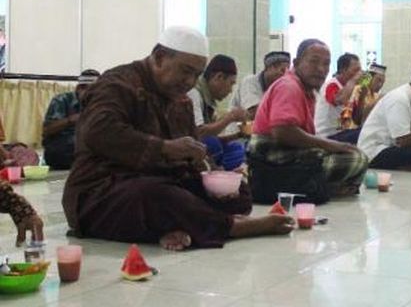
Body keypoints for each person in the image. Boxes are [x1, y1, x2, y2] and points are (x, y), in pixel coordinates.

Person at [62, 27, 294, 251]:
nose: (190, 81)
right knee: (155, 195)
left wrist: (210, 175)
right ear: (160, 57)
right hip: (103, 192)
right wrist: (164, 148)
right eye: (185, 71)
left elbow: (191, 155)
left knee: (239, 194)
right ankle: (233, 227)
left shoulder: (181, 100)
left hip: (165, 183)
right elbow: (98, 132)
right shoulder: (116, 84)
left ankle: (174, 226)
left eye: (196, 75)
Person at [248, 39, 368, 202]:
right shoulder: (290, 86)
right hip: (272, 157)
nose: (321, 69)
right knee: (357, 159)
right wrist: (329, 145)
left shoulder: (305, 89)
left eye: (326, 64)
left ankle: (321, 185)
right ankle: (319, 186)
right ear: (297, 63)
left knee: (352, 154)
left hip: (290, 152)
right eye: (313, 62)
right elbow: (282, 131)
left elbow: (357, 116)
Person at [41, 69, 100, 170]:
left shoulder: (101, 103)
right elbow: (46, 130)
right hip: (62, 150)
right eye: (86, 89)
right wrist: (71, 120)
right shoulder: (62, 100)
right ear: (78, 88)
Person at [187, 54, 247, 139]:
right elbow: (200, 133)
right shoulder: (194, 93)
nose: (230, 91)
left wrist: (238, 135)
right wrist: (230, 117)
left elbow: (213, 137)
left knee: (235, 147)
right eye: (231, 83)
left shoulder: (209, 99)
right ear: (219, 77)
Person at [314, 53, 363, 144]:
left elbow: (357, 119)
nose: (360, 74)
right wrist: (354, 80)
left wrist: (363, 94)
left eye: (360, 70)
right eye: (356, 70)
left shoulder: (353, 88)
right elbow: (340, 100)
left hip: (343, 132)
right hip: (327, 136)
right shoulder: (331, 85)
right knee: (364, 133)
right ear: (343, 70)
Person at [232, 51, 291, 121]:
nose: (285, 75)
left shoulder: (280, 86)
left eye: (288, 71)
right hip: (238, 130)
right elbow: (254, 112)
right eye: (282, 70)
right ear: (268, 68)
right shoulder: (250, 82)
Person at [1, 181, 44, 247]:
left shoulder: (12, 202)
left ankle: (34, 251)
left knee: (34, 238)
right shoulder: (17, 198)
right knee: (36, 239)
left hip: (26, 219)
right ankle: (35, 250)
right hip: (30, 218)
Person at [350, 63, 386, 127]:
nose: (380, 85)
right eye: (378, 80)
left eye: (383, 82)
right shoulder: (358, 89)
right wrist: (362, 97)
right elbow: (358, 120)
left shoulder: (376, 96)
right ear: (370, 78)